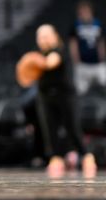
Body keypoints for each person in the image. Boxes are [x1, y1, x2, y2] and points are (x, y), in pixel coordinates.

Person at [33, 24, 97, 177]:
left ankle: (86, 156)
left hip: (65, 96)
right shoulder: (39, 56)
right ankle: (55, 158)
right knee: (50, 128)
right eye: (40, 37)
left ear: (55, 36)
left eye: (47, 36)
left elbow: (52, 61)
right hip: (46, 96)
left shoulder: (59, 51)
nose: (44, 40)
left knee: (72, 128)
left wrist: (36, 62)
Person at [69, 0, 106, 96]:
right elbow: (73, 43)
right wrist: (76, 59)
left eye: (86, 11)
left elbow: (101, 42)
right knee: (81, 91)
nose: (85, 13)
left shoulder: (97, 24)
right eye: (82, 11)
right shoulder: (76, 25)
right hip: (83, 63)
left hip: (97, 63)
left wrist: (102, 57)